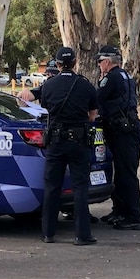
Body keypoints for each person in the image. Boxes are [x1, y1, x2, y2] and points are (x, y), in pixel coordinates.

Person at [22, 47, 99, 245]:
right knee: (80, 187)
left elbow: (40, 105)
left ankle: (48, 233)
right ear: (75, 63)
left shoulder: (49, 85)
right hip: (79, 141)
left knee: (52, 187)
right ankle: (82, 235)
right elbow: (92, 116)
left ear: (57, 64)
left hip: (55, 142)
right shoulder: (85, 85)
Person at [95, 45, 140, 231]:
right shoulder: (125, 75)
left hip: (124, 129)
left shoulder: (111, 78)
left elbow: (96, 98)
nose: (99, 66)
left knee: (126, 174)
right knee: (121, 172)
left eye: (100, 62)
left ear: (107, 62)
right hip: (128, 127)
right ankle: (120, 210)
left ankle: (133, 216)